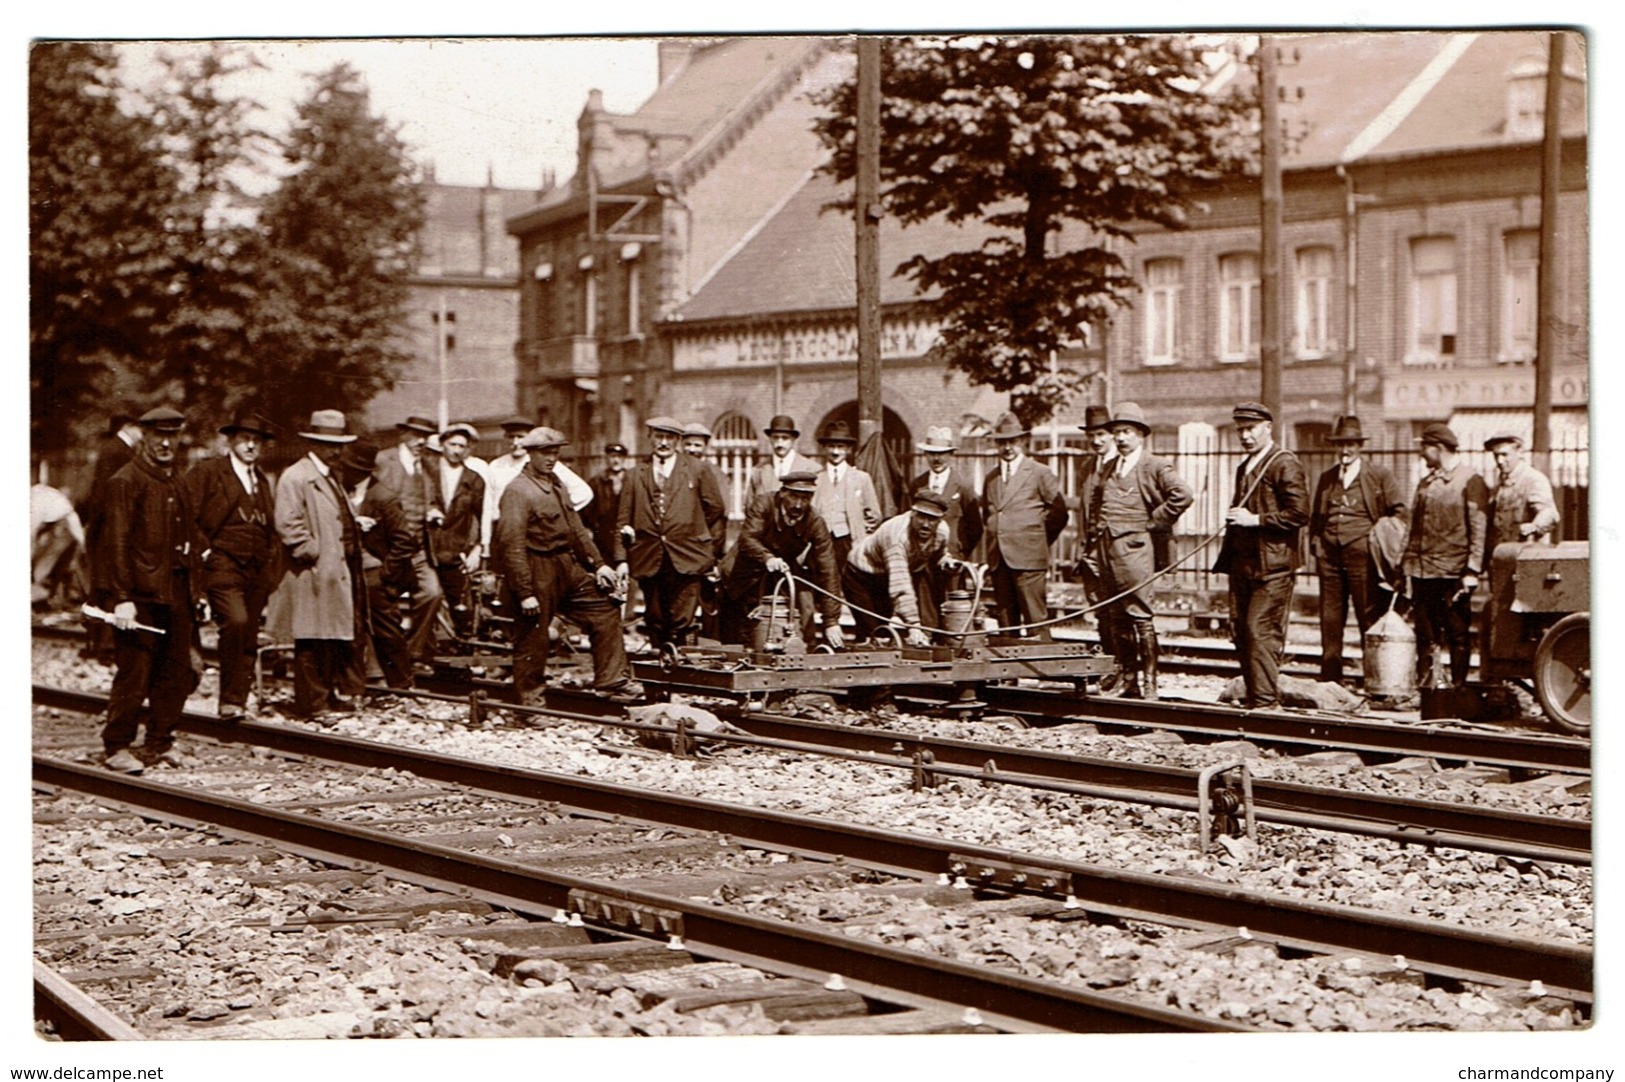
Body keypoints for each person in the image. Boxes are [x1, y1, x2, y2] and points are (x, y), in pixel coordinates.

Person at [493, 426, 639, 707]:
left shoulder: (556, 483)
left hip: (565, 565)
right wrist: (525, 592)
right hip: (536, 568)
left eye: (555, 452)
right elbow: (511, 546)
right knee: (533, 639)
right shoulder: (518, 492)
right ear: (530, 454)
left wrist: (598, 566)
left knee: (604, 607)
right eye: (545, 453)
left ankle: (611, 680)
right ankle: (530, 706)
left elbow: (577, 530)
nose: (551, 458)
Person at [97, 407, 204, 773]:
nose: (164, 442)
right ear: (143, 435)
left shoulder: (176, 481)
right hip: (139, 595)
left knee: (174, 672)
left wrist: (196, 591)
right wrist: (121, 598)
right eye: (158, 434)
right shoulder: (125, 481)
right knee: (135, 671)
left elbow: (190, 539)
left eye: (172, 435)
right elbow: (115, 544)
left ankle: (160, 741)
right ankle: (117, 745)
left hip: (175, 590)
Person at [1085, 403, 1193, 700]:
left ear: (1140, 435)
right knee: (1116, 616)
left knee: (1140, 616)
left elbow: (1183, 495)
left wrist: (1154, 522)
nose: (1120, 438)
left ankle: (1150, 684)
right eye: (1117, 432)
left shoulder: (1154, 466)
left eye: (1127, 432)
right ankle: (1128, 679)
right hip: (1108, 553)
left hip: (1135, 553)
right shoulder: (1108, 468)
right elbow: (1097, 509)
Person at [1212, 402, 1310, 710]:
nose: (1245, 435)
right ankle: (1256, 699)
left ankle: (1266, 705)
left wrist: (1256, 520)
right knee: (1241, 631)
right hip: (1243, 564)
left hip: (1273, 566)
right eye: (1240, 429)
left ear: (1268, 427)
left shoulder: (1283, 464)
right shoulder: (1246, 467)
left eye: (1251, 428)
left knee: (1260, 630)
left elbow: (1300, 513)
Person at [184, 410, 278, 722]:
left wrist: (270, 564)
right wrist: (205, 552)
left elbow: (268, 525)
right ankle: (228, 697)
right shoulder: (209, 472)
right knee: (235, 622)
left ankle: (236, 701)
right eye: (245, 439)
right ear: (231, 441)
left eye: (257, 441)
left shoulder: (261, 480)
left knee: (249, 632)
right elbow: (186, 516)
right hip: (222, 563)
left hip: (256, 566)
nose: (251, 446)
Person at [274, 410, 365, 724]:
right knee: (311, 638)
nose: (336, 450)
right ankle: (313, 704)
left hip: (333, 569)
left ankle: (327, 696)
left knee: (331, 637)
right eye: (328, 444)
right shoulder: (297, 477)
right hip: (313, 571)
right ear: (314, 443)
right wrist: (311, 551)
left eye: (339, 443)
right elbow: (287, 522)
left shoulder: (330, 476)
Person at [1307, 415, 1408, 684]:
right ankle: (1330, 678)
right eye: (1340, 445)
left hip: (1362, 557)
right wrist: (1317, 543)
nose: (1345, 450)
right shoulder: (1327, 478)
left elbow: (1399, 512)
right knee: (1330, 618)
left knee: (1368, 616)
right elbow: (1316, 517)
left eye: (1351, 444)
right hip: (1329, 556)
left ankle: (1373, 679)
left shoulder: (1378, 476)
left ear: (1360, 446)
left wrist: (1380, 540)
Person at [613, 416, 727, 653]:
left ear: (677, 441)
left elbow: (715, 507)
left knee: (682, 617)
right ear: (650, 438)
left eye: (669, 438)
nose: (663, 443)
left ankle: (682, 671)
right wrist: (621, 559)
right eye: (658, 437)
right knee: (655, 617)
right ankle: (659, 670)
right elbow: (623, 518)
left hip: (688, 555)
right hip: (648, 555)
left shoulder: (697, 469)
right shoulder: (635, 474)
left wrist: (692, 532)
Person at [1401, 423, 1489, 688]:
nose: (1421, 454)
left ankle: (1458, 690)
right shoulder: (1426, 482)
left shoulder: (1470, 481)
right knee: (1425, 634)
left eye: (1424, 448)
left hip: (1453, 572)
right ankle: (1427, 688)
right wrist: (1403, 564)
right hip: (1422, 570)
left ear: (1438, 448)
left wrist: (1472, 570)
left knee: (1457, 634)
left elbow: (1479, 529)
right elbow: (1411, 527)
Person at [720, 470, 845, 650]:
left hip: (778, 574)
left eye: (805, 498)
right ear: (783, 493)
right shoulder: (763, 504)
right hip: (741, 571)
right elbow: (748, 539)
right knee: (737, 634)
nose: (799, 504)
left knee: (787, 615)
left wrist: (831, 621)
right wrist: (767, 558)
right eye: (794, 497)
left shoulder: (815, 521)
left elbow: (828, 569)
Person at [981, 412, 1068, 639]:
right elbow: (988, 514)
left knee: (1035, 622)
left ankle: (1041, 669)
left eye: (1012, 441)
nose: (1007, 447)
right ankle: (1008, 674)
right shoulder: (991, 478)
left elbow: (1059, 513)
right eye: (1002, 442)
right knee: (1006, 623)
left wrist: (1035, 538)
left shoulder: (1040, 473)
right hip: (999, 559)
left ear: (1022, 442)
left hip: (1028, 558)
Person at [342, 438, 417, 693]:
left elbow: (405, 540)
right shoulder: (342, 492)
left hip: (375, 574)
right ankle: (356, 688)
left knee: (387, 632)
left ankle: (401, 685)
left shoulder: (383, 497)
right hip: (348, 573)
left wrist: (386, 572)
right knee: (351, 631)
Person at [843, 489, 961, 649]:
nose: (926, 524)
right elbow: (901, 586)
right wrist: (913, 625)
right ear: (912, 513)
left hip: (888, 574)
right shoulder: (896, 536)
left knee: (883, 633)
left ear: (940, 520)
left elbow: (938, 554)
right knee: (872, 632)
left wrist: (945, 562)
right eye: (921, 517)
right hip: (861, 575)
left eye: (932, 519)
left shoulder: (942, 531)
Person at [372, 415, 444, 666]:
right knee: (384, 602)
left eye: (424, 436)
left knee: (432, 593)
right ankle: (383, 659)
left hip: (417, 548)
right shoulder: (383, 461)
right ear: (403, 435)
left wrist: (432, 510)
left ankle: (411, 652)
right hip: (387, 549)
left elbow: (429, 500)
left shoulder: (427, 467)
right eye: (415, 435)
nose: (420, 441)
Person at [80, 411, 143, 662]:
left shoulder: (114, 450)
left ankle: (102, 643)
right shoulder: (118, 452)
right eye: (140, 428)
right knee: (107, 585)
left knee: (104, 585)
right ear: (128, 427)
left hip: (107, 526)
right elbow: (104, 494)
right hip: (110, 527)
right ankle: (106, 647)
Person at [484, 415, 594, 558]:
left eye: (520, 437)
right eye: (511, 437)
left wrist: (552, 513)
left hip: (534, 534)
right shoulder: (496, 465)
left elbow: (583, 492)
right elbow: (487, 506)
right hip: (503, 530)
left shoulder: (542, 462)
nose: (516, 442)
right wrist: (485, 543)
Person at [910, 425, 983, 628]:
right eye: (932, 454)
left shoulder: (963, 485)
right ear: (925, 454)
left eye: (942, 454)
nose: (937, 459)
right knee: (926, 604)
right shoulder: (917, 485)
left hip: (952, 559)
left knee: (953, 605)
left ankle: (952, 644)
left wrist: (959, 551)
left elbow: (975, 526)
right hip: (924, 557)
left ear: (950, 455)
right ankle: (929, 642)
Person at [1072, 405, 1122, 689]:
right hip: (1091, 554)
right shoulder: (1087, 467)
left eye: (1101, 434)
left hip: (1116, 553)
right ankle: (1111, 667)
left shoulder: (1123, 465)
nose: (1096, 441)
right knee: (1101, 612)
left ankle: (1127, 670)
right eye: (1092, 435)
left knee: (1121, 612)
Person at [428, 422, 488, 641]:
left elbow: (483, 517)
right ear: (442, 444)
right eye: (452, 444)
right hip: (427, 549)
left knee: (460, 604)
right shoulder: (427, 472)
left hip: (456, 552)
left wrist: (477, 549)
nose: (456, 450)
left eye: (462, 446)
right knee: (427, 600)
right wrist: (429, 510)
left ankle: (464, 647)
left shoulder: (473, 480)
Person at [812, 420, 881, 570]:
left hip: (849, 540)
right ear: (824, 448)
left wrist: (859, 531)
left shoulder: (861, 478)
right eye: (831, 446)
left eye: (840, 447)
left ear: (848, 449)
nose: (835, 452)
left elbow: (874, 514)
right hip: (821, 542)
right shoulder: (816, 479)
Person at [30, 480, 85, 607]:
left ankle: (48, 593)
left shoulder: (65, 511)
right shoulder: (36, 510)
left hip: (58, 516)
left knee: (61, 555)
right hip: (46, 516)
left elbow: (80, 537)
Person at [746, 414, 819, 504]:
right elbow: (750, 508)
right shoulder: (758, 470)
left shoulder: (811, 469)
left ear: (793, 440)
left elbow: (816, 507)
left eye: (785, 438)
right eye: (775, 437)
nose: (779, 443)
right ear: (770, 439)